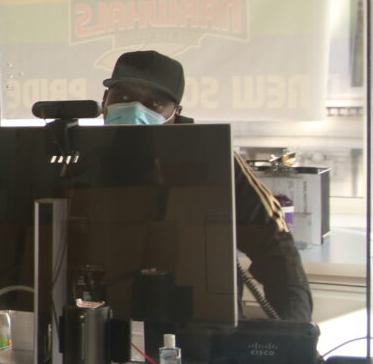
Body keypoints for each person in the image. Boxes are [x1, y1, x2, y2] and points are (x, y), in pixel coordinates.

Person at [101, 49, 313, 322]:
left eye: (153, 104)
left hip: (200, 333)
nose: (134, 109)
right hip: (97, 330)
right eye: (124, 97)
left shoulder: (215, 158)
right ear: (105, 99)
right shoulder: (78, 160)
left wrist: (296, 335)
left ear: (175, 113)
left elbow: (276, 247)